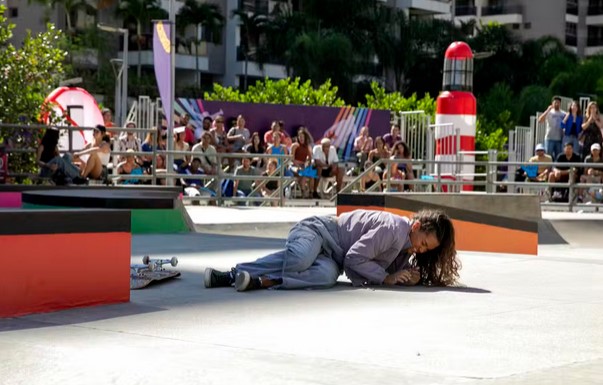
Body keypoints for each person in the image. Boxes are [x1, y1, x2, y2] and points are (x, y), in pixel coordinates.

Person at [204, 209, 459, 291]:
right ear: (416, 225)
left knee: (326, 278)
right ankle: (230, 275)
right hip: (319, 232)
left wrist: (408, 277)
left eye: (427, 250)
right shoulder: (393, 229)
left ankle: (259, 281)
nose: (421, 250)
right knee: (301, 258)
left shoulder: (406, 247)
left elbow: (374, 266)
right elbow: (355, 258)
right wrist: (387, 278)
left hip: (333, 258)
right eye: (423, 242)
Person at [539, 96, 565, 160]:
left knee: (558, 157)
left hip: (559, 138)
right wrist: (547, 110)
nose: (557, 104)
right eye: (555, 102)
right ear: (552, 103)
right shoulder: (549, 112)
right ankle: (548, 169)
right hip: (549, 138)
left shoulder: (563, 113)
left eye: (558, 102)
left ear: (560, 104)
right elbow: (540, 120)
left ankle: (557, 169)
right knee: (548, 157)